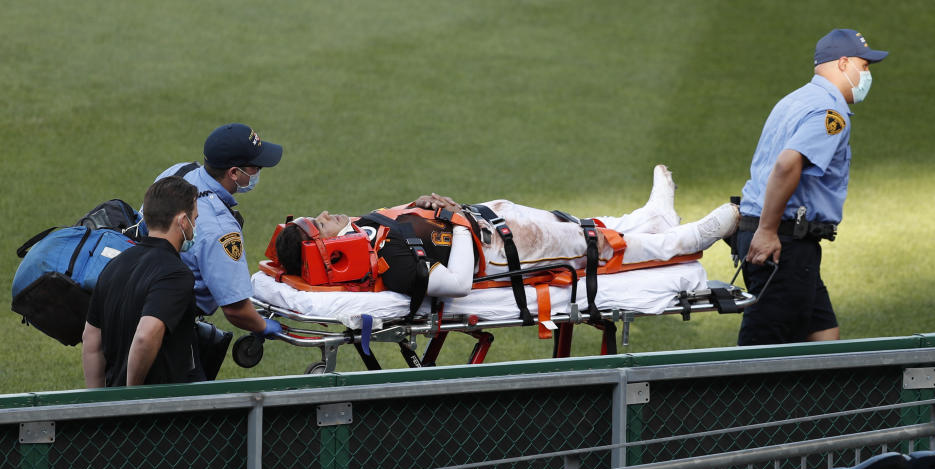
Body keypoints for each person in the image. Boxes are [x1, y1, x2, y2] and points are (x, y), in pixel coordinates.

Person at [273, 165, 739, 299]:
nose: (329, 212)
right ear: (323, 245)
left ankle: (649, 216)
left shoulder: (369, 233)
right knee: (586, 245)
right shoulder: (390, 263)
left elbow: (415, 228)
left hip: (491, 224)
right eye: (320, 221)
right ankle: (684, 240)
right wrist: (455, 222)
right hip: (498, 251)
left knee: (573, 226)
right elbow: (454, 284)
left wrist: (427, 206)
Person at [736, 29, 888, 345]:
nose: (867, 74)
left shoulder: (796, 99)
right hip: (782, 240)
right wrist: (767, 231)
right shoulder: (829, 112)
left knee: (823, 335)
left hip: (778, 236)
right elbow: (786, 165)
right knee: (763, 356)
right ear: (844, 63)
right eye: (865, 65)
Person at [154, 123, 285, 340]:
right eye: (255, 167)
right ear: (234, 172)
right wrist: (262, 325)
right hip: (168, 324)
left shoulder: (179, 171)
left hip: (139, 291)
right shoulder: (219, 228)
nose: (258, 172)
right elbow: (236, 308)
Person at [82, 177, 200, 387]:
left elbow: (91, 339)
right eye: (194, 219)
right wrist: (133, 398)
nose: (194, 226)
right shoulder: (176, 274)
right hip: (158, 409)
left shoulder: (115, 264)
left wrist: (97, 403)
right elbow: (145, 336)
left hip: (113, 409)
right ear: (182, 221)